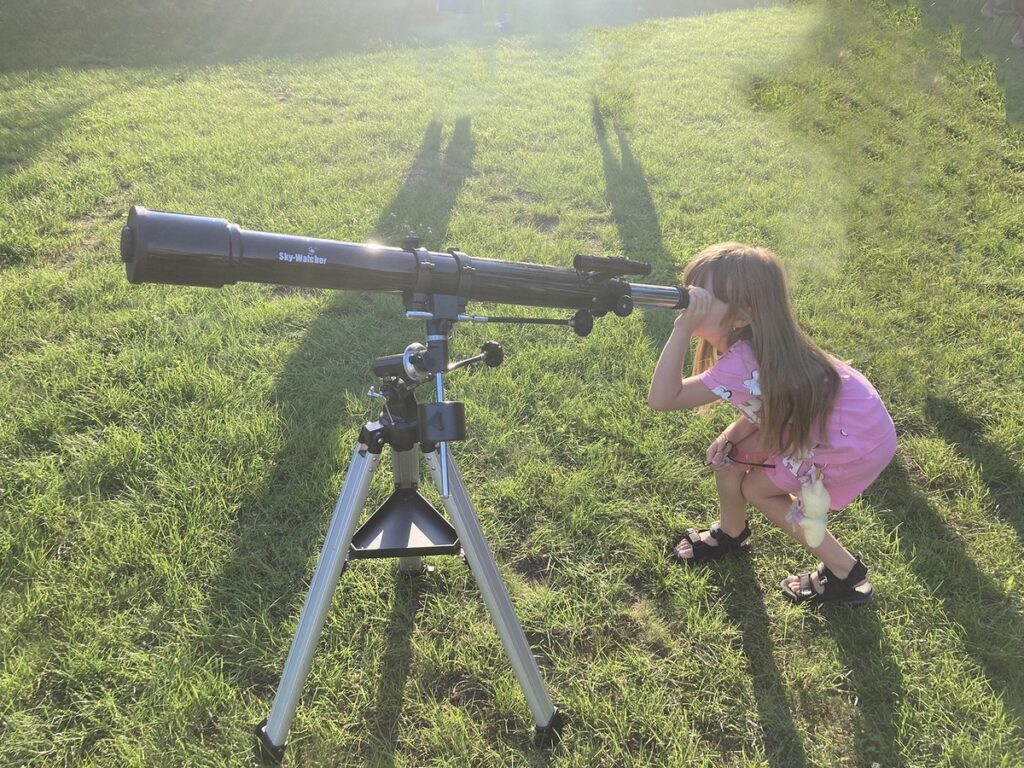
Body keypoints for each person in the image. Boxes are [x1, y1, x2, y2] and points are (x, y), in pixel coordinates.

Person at [647, 243, 897, 606]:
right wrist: (731, 434)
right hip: (855, 424)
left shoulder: (741, 359)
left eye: (702, 297)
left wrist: (682, 329)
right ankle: (732, 533)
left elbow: (662, 398)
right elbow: (767, 402)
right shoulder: (762, 340)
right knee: (730, 457)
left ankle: (846, 572)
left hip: (849, 442)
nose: (690, 302)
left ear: (741, 316)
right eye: (690, 290)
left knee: (758, 490)